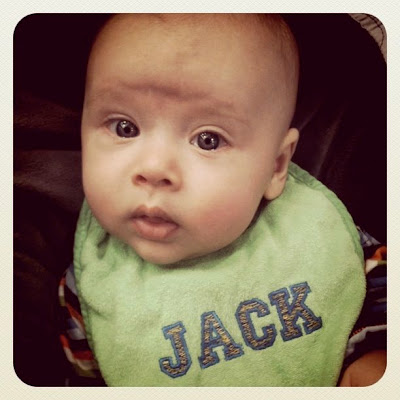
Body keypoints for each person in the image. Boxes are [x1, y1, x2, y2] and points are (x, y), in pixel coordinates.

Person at [59, 13, 386, 386]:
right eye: (125, 127)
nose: (153, 168)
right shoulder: (89, 289)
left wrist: (377, 359)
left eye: (208, 140)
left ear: (276, 166)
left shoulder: (317, 235)